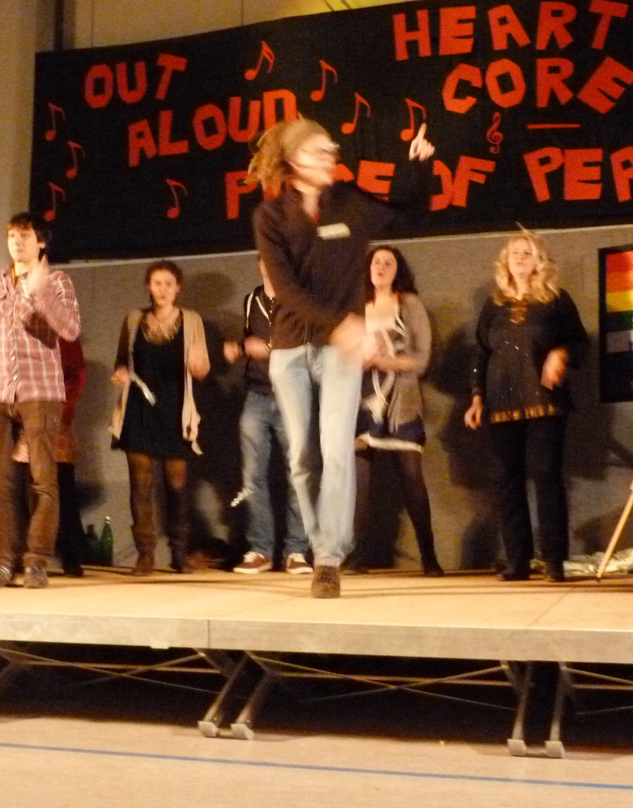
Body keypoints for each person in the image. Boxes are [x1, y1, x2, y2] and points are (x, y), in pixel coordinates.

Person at [250, 117, 435, 598]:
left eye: (331, 149)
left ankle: (329, 559)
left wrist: (418, 167)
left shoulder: (349, 201)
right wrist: (342, 325)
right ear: (294, 160)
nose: (330, 157)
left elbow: (404, 214)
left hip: (339, 352)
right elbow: (285, 289)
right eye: (318, 151)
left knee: (337, 450)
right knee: (302, 457)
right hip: (291, 347)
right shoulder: (271, 216)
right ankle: (318, 542)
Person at [0, 214, 81, 589]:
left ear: (41, 242)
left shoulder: (58, 281)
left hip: (41, 391)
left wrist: (40, 293)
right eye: (11, 235)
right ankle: (2, 560)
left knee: (42, 481)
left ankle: (37, 560)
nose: (16, 242)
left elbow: (70, 329)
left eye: (24, 235)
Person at [464, 231, 588, 582]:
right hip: (501, 401)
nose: (519, 257)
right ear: (505, 260)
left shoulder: (555, 300)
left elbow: (580, 343)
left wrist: (560, 353)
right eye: (514, 252)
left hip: (544, 401)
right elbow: (481, 353)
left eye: (527, 252)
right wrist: (476, 396)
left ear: (539, 261)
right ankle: (518, 560)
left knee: (547, 477)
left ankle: (554, 560)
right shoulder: (494, 304)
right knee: (507, 480)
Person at [110, 260, 210, 575]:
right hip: (139, 409)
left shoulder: (191, 320)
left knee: (176, 484)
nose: (163, 289)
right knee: (140, 483)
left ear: (177, 288)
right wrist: (121, 373)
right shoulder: (134, 319)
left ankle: (179, 553)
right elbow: (121, 361)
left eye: (168, 283)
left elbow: (202, 368)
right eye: (157, 283)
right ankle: (145, 555)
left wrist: (197, 365)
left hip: (175, 409)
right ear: (148, 287)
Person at [351, 245, 442, 576]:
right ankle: (358, 557)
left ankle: (429, 558)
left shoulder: (409, 304)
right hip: (361, 403)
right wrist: (358, 360)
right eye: (376, 261)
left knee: (412, 480)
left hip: (401, 403)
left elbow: (422, 359)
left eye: (388, 263)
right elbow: (340, 356)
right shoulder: (355, 307)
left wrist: (382, 360)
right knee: (359, 484)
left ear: (397, 270)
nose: (381, 267)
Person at [223, 259, 312, 575]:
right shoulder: (251, 300)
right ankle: (260, 549)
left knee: (297, 474)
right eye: (264, 257)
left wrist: (269, 348)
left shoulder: (299, 299)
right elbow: (251, 343)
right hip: (257, 395)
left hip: (292, 397)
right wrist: (238, 348)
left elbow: (310, 346)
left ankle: (296, 551)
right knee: (252, 476)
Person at [0, 336, 88, 577]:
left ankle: (65, 557)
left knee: (53, 485)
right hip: (9, 418)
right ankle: (12, 556)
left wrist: (61, 407)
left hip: (47, 414)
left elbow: (76, 375)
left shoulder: (59, 334)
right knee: (10, 488)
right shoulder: (3, 333)